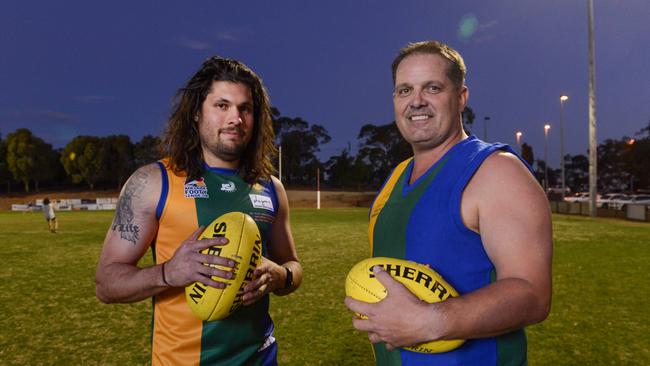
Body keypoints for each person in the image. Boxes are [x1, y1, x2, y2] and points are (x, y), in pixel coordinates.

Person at [345, 40, 553, 365]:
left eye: (432, 88)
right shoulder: (397, 176)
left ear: (461, 97)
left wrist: (431, 321)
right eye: (404, 90)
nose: (416, 101)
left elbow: (532, 294)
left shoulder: (496, 171)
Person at [95, 56, 302, 365]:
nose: (236, 118)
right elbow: (106, 284)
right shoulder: (153, 182)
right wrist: (168, 273)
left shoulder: (271, 188)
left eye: (245, 108)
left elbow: (293, 267)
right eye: (222, 106)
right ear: (195, 113)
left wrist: (281, 276)